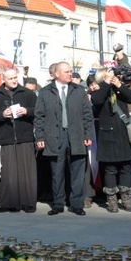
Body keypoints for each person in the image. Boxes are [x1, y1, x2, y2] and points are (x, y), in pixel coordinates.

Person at [34, 61, 94, 216]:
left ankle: (77, 204)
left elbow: (87, 115)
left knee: (78, 172)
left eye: (71, 71)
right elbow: (39, 116)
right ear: (57, 74)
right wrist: (39, 136)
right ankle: (58, 204)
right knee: (57, 172)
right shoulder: (46, 92)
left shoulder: (79, 91)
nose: (70, 74)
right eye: (67, 71)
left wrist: (88, 135)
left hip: (76, 136)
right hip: (55, 136)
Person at [0, 67, 38, 213]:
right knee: (9, 174)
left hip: (25, 138)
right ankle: (10, 203)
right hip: (5, 139)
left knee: (27, 173)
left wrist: (27, 111)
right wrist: (2, 114)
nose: (14, 80)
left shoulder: (27, 93)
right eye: (11, 78)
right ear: (4, 79)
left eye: (15, 77)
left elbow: (39, 111)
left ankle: (28, 203)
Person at [90, 67, 131, 213]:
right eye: (108, 75)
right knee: (110, 168)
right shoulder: (99, 90)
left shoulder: (119, 89)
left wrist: (119, 85)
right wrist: (105, 83)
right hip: (107, 135)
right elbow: (97, 100)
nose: (111, 77)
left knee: (125, 166)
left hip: (123, 133)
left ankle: (126, 199)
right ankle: (111, 200)